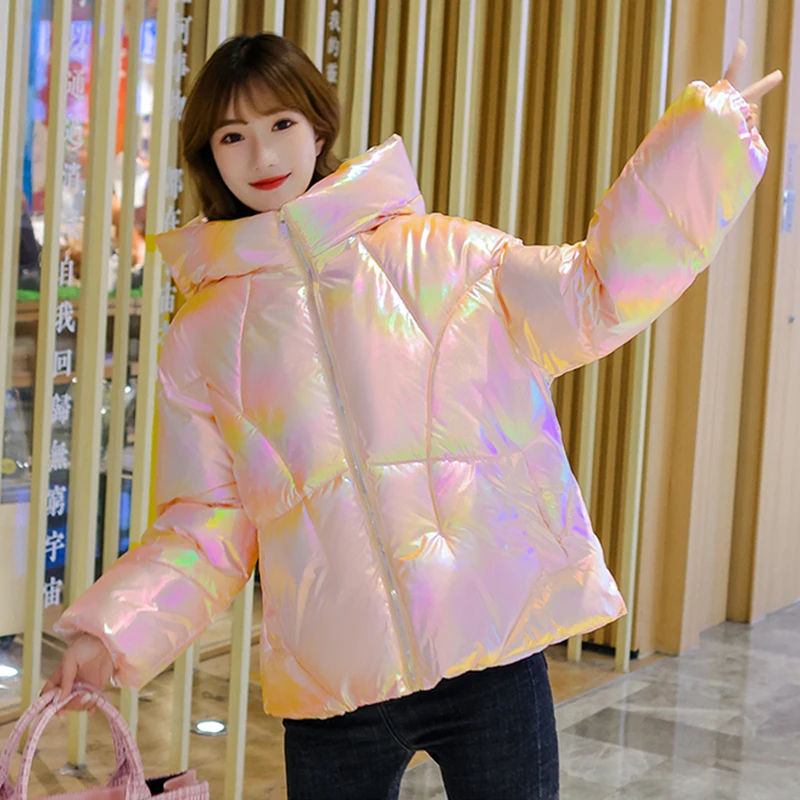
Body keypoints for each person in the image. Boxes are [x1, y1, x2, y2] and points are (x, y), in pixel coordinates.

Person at [44, 33, 781, 800]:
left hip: (488, 656)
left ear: (319, 130)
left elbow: (594, 292)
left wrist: (702, 146)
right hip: (334, 688)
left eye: (281, 123)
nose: (260, 153)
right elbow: (206, 524)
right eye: (233, 135)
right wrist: (110, 633)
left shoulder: (445, 258)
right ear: (209, 155)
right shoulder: (202, 337)